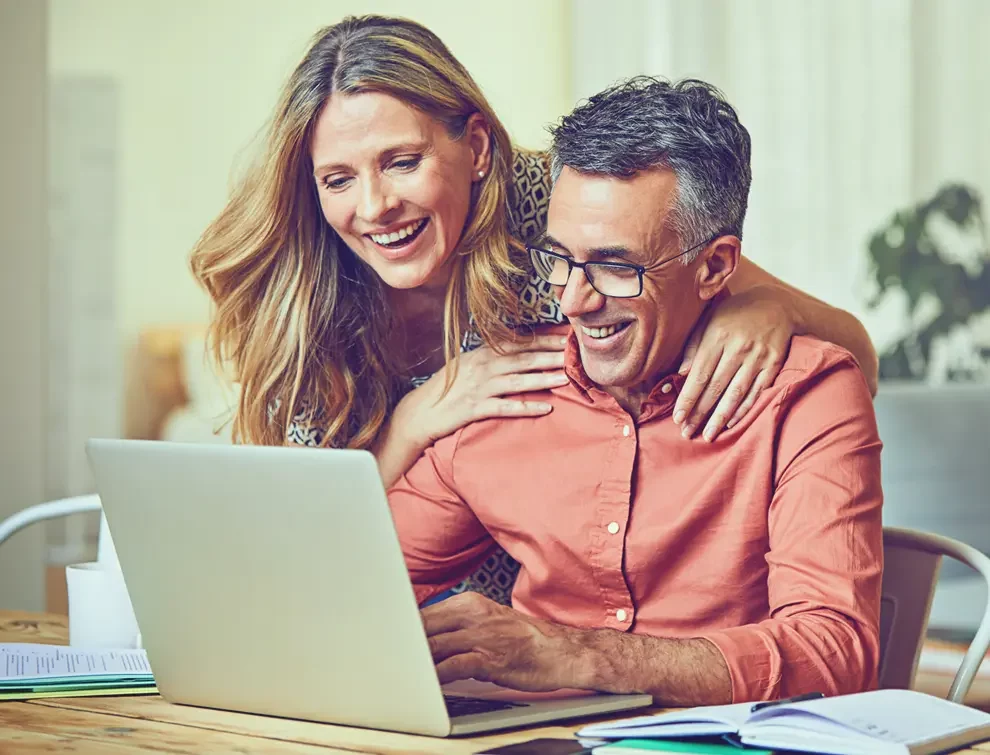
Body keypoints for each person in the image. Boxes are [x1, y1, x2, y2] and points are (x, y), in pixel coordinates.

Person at [190, 15, 878, 605]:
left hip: (543, 612)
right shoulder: (301, 293)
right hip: (385, 591)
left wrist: (760, 306)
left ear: (478, 147)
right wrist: (413, 423)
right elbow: (295, 552)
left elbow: (843, 347)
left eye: (401, 161)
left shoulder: (564, 209)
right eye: (338, 178)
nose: (373, 207)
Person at [387, 77, 883, 705]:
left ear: (713, 268)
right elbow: (353, 580)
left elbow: (834, 654)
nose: (573, 300)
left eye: (616, 267)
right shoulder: (502, 393)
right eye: (560, 259)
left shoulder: (807, 394)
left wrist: (573, 653)